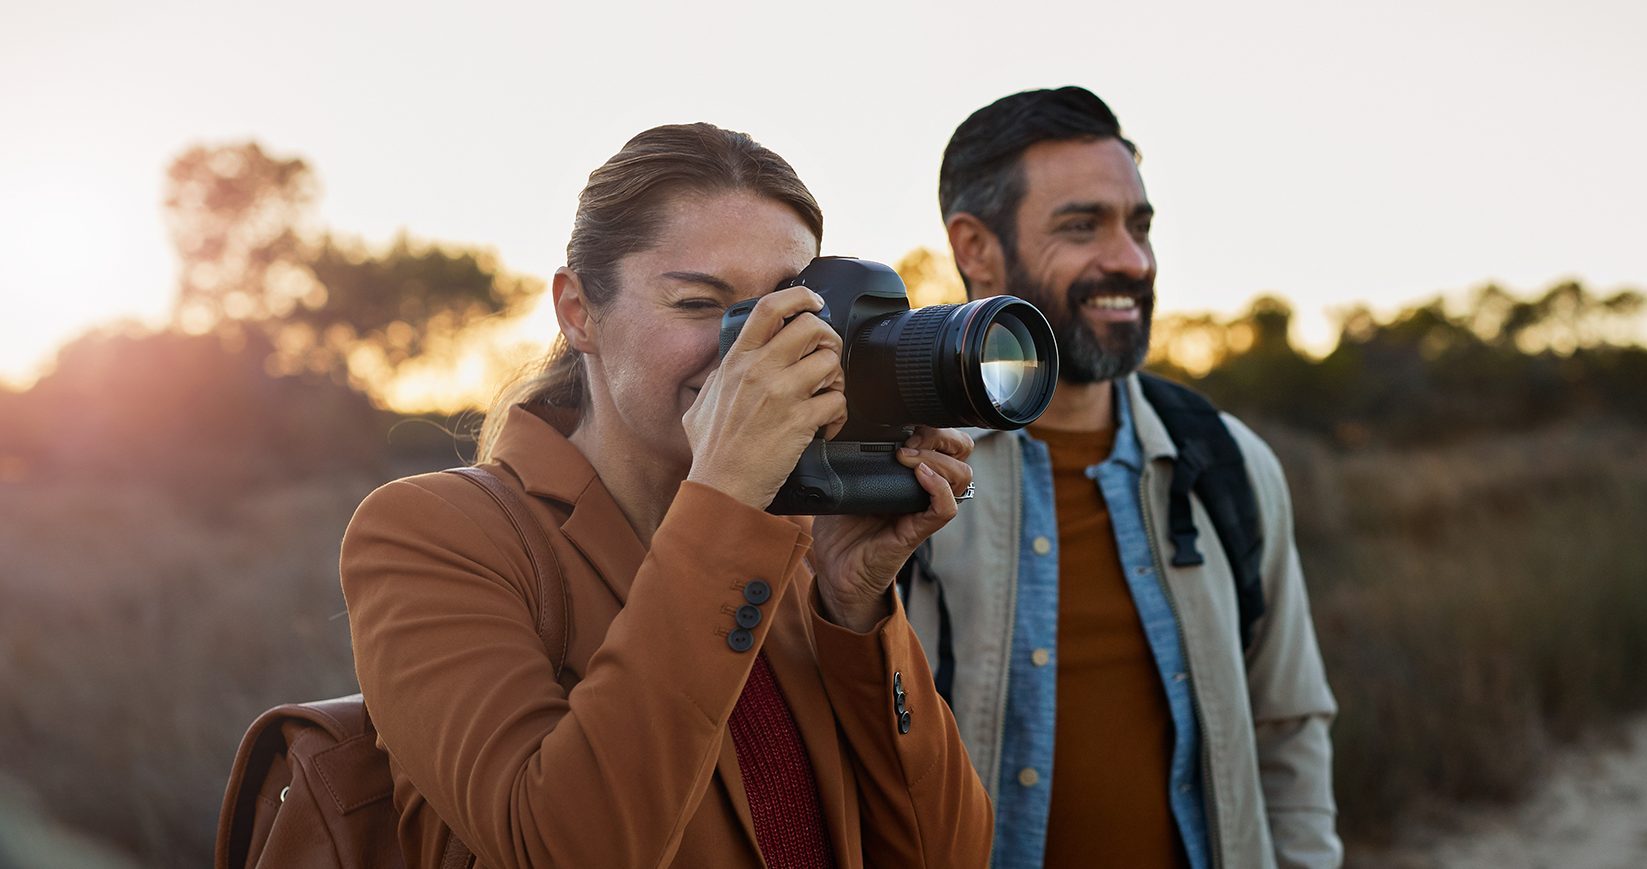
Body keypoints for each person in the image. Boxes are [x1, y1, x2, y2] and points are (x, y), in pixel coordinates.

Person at [340, 122, 992, 868]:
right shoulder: (431, 532)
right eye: (699, 302)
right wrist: (726, 498)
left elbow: (949, 852)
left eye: (791, 310)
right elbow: (565, 847)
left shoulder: (790, 549)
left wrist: (856, 605)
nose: (756, 350)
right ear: (579, 311)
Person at [904, 87, 1340, 867]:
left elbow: (1288, 725)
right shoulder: (899, 471)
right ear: (975, 246)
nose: (1131, 260)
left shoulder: (1228, 463)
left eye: (1138, 226)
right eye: (1083, 226)